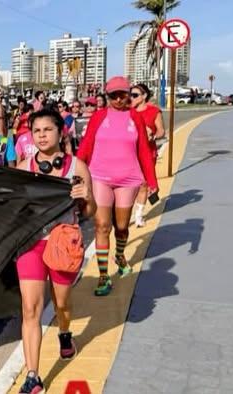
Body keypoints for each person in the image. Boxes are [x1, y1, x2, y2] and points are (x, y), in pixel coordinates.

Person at [15, 109, 96, 394]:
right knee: (30, 309)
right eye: (36, 131)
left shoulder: (77, 167)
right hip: (32, 244)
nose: (41, 135)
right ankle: (33, 375)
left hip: (63, 243)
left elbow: (90, 212)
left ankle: (64, 332)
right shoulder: (23, 169)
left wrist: (85, 196)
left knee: (61, 304)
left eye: (47, 130)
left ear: (61, 133)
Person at [77, 76, 158, 297]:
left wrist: (152, 181)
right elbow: (85, 147)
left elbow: (143, 149)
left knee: (121, 226)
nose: (119, 99)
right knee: (103, 226)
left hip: (129, 179)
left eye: (124, 94)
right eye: (114, 95)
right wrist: (75, 172)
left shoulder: (135, 117)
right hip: (100, 177)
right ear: (108, 96)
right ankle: (104, 276)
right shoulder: (99, 117)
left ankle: (120, 255)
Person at [130, 83, 166, 227]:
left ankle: (138, 216)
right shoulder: (127, 111)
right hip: (129, 152)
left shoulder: (153, 111)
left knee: (143, 184)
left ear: (144, 96)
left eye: (135, 95)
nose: (131, 98)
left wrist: (153, 136)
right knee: (129, 184)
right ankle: (125, 212)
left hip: (147, 152)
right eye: (130, 95)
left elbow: (161, 131)